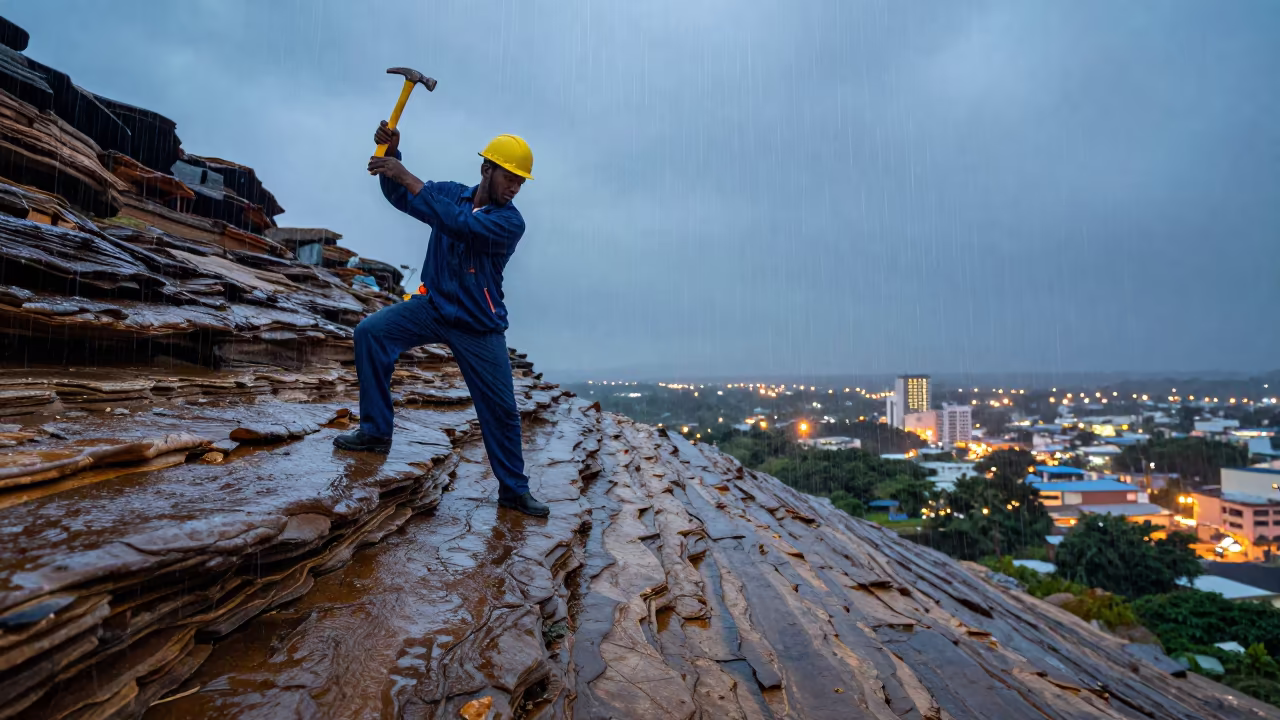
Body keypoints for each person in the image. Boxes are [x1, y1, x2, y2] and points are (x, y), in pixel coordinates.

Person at [332, 120, 549, 518]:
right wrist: (391, 157)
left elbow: (459, 224)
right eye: (510, 177)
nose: (515, 187)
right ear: (487, 169)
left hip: (477, 323)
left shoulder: (509, 222)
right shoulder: (450, 193)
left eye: (521, 181)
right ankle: (375, 433)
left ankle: (513, 491)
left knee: (500, 409)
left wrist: (408, 176)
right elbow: (404, 198)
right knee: (370, 333)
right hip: (432, 307)